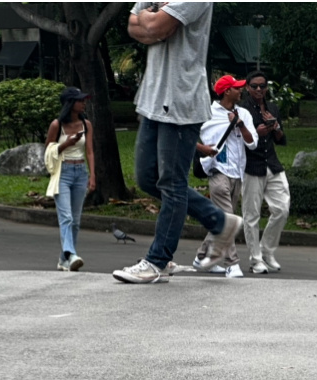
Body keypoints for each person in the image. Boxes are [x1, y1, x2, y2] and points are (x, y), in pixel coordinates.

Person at [114, 1, 243, 285]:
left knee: (172, 183)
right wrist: (151, 22)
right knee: (147, 178)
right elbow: (134, 26)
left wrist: (152, 22)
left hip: (181, 99)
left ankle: (158, 260)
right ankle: (220, 221)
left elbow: (155, 27)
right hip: (152, 97)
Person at [193, 75, 256, 278]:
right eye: (237, 88)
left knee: (222, 219)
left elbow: (252, 143)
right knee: (228, 219)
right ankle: (232, 263)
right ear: (227, 91)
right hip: (217, 170)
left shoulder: (243, 113)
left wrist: (240, 125)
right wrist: (203, 148)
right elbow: (186, 136)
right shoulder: (207, 113)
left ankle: (202, 257)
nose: (241, 90)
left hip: (237, 173)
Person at [240, 71, 291, 274]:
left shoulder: (272, 108)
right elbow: (238, 138)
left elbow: (281, 139)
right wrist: (256, 132)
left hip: (272, 164)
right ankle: (255, 259)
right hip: (252, 165)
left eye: (262, 86)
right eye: (254, 86)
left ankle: (267, 250)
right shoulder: (242, 109)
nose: (259, 89)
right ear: (247, 88)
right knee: (251, 215)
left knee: (282, 209)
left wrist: (275, 126)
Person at [44, 87, 96, 271]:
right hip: (63, 172)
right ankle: (71, 254)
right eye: (79, 100)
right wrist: (67, 143)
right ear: (70, 103)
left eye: (83, 100)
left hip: (81, 172)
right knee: (66, 217)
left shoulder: (86, 124)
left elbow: (89, 151)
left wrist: (92, 175)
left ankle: (63, 259)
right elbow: (48, 150)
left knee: (76, 220)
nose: (83, 103)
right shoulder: (57, 125)